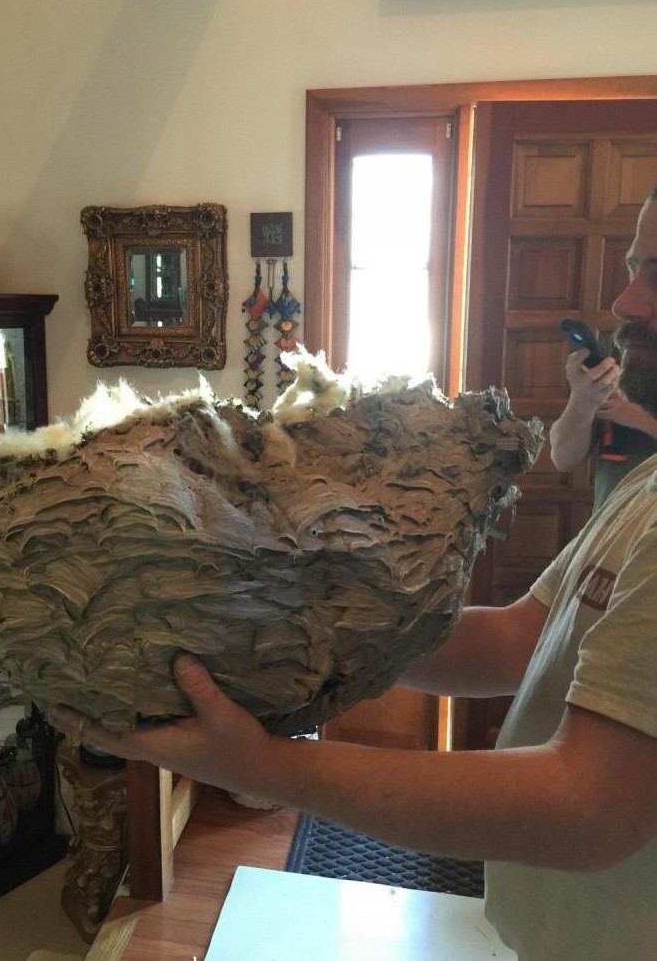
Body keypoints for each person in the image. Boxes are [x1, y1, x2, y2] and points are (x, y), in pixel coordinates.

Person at [49, 190, 657, 961]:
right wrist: (305, 629)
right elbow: (520, 640)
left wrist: (264, 764)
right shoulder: (646, 486)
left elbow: (589, 809)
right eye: (635, 266)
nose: (624, 301)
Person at [550, 333, 657, 510]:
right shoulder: (619, 351)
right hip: (612, 521)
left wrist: (641, 419)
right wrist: (582, 400)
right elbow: (564, 459)